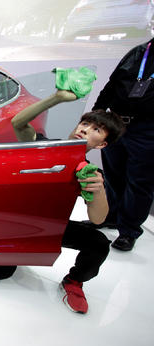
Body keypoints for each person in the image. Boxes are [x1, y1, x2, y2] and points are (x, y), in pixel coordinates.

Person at [9, 89, 125, 314]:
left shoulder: (90, 173)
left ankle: (74, 281)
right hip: (18, 224)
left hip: (52, 226)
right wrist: (57, 98)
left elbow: (98, 219)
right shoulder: (43, 148)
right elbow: (18, 123)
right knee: (0, 274)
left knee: (99, 243)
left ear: (102, 145)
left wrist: (98, 190)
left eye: (96, 129)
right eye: (85, 123)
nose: (85, 129)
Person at [91, 38, 154, 252]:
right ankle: (109, 216)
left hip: (147, 129)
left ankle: (128, 231)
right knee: (113, 175)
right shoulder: (138, 52)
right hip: (116, 123)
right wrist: (97, 114)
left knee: (139, 182)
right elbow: (112, 84)